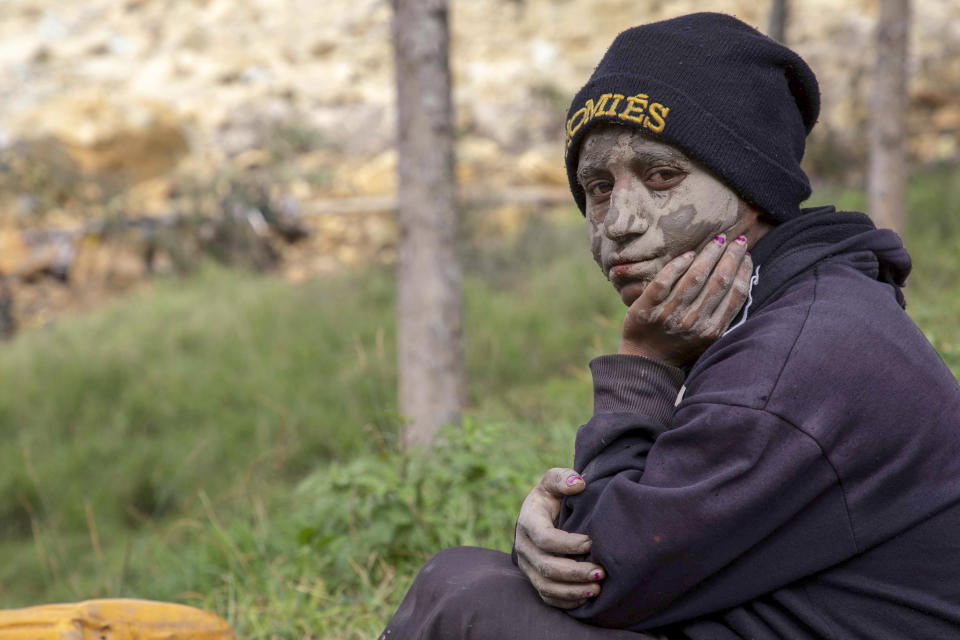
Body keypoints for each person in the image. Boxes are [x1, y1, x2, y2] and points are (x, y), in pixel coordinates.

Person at [380, 12, 960, 639]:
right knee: (466, 579)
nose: (621, 221)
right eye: (597, 187)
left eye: (662, 176)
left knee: (466, 605)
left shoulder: (802, 350)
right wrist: (544, 526)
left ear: (754, 187)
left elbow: (601, 577)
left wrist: (642, 370)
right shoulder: (778, 303)